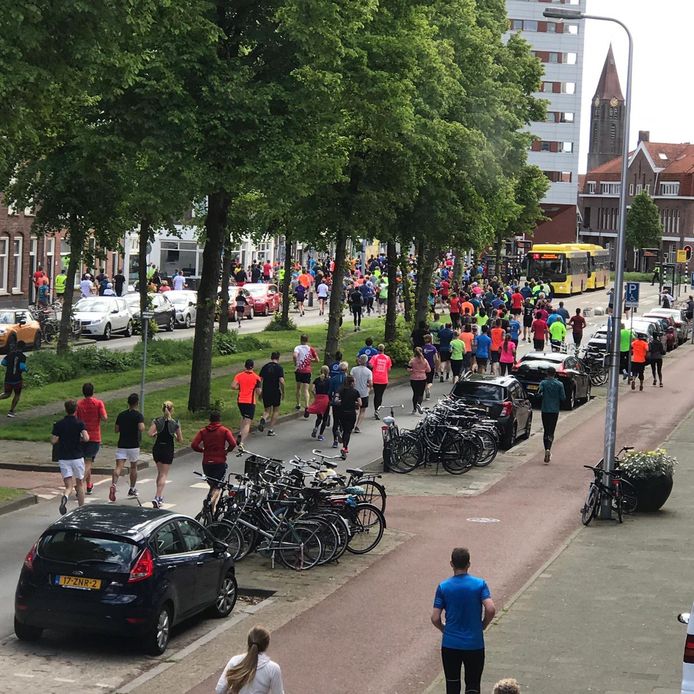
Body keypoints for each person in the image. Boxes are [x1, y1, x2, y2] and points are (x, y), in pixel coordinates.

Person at [431, 547, 496, 694]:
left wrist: (444, 629)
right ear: (469, 564)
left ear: (451, 564)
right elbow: (490, 609)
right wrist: (483, 625)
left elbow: (435, 617)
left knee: (452, 684)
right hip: (474, 643)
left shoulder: (443, 587)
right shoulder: (480, 585)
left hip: (450, 644)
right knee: (473, 685)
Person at [215, 625, 284, 694]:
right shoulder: (273, 669)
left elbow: (219, 690)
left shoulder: (235, 661)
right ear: (267, 645)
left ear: (248, 643)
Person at [191, 411, 237, 513]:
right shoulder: (224, 431)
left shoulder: (203, 431)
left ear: (209, 420)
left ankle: (211, 511)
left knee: (212, 485)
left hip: (207, 462)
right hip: (219, 462)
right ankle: (210, 503)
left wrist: (202, 450)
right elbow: (233, 443)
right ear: (219, 419)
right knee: (217, 487)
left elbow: (194, 445)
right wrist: (227, 450)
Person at [51, 399, 90, 515]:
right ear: (75, 409)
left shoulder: (59, 424)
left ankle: (66, 496)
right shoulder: (80, 423)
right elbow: (87, 438)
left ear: (65, 409)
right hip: (77, 457)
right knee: (80, 484)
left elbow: (53, 440)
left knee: (68, 485)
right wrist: (80, 438)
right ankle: (81, 510)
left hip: (64, 458)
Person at [109, 393, 145, 501]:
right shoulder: (138, 415)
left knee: (118, 467)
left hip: (122, 444)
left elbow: (116, 430)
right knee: (133, 467)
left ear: (128, 403)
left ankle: (114, 485)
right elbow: (142, 428)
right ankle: (132, 488)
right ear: (137, 403)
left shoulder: (121, 415)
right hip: (133, 445)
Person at [148, 401, 183, 508]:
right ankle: (157, 497)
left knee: (159, 473)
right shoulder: (175, 423)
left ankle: (159, 495)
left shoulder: (157, 421)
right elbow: (180, 439)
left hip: (157, 448)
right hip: (168, 448)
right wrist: (175, 437)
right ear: (172, 409)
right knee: (164, 474)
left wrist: (156, 434)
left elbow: (149, 433)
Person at [76, 383, 107, 495]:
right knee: (88, 462)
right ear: (93, 391)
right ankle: (80, 484)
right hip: (94, 437)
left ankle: (89, 485)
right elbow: (104, 418)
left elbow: (75, 418)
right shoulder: (98, 403)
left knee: (85, 462)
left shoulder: (79, 404)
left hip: (81, 437)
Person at [537, 366, 565, 464]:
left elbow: (539, 393)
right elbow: (563, 397)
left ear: (547, 373)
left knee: (546, 429)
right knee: (551, 430)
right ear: (554, 373)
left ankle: (546, 449)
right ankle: (549, 448)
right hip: (554, 410)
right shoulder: (559, 384)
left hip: (545, 409)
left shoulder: (543, 383)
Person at [232, 359, 262, 443]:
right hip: (250, 401)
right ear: (253, 366)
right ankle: (241, 441)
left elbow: (233, 386)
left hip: (240, 400)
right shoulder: (256, 378)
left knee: (243, 417)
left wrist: (240, 387)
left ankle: (240, 433)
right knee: (248, 422)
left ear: (245, 366)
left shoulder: (239, 375)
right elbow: (258, 391)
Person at [334, 374, 361, 458]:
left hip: (342, 412)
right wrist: (354, 403)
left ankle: (341, 435)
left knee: (344, 428)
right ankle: (344, 447)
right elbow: (360, 403)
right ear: (352, 383)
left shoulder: (340, 390)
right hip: (351, 413)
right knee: (348, 431)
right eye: (354, 382)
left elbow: (336, 400)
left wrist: (342, 402)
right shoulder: (355, 392)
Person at [258, 352, 284, 437]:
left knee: (267, 410)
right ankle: (271, 429)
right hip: (275, 391)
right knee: (276, 410)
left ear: (271, 357)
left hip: (266, 391)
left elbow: (260, 379)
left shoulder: (265, 367)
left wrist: (260, 390)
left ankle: (263, 418)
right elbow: (281, 381)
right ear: (278, 358)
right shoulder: (279, 368)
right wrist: (283, 391)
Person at [1, 340, 27, 417]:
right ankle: (11, 411)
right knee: (17, 394)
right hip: (17, 379)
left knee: (7, 393)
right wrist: (26, 369)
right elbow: (22, 367)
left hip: (8, 377)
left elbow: (3, 363)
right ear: (23, 348)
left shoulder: (10, 354)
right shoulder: (22, 356)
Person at [293, 334, 319, 411]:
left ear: (300, 339)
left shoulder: (297, 347)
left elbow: (295, 356)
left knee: (298, 388)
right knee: (306, 389)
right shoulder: (310, 349)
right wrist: (310, 360)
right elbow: (317, 360)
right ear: (307, 340)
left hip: (299, 370)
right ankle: (307, 405)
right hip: (307, 371)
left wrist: (296, 363)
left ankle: (298, 404)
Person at [308, 365, 332, 441]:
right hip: (326, 399)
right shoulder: (329, 380)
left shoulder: (317, 380)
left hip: (318, 398)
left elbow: (312, 389)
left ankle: (316, 427)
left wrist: (315, 396)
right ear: (328, 372)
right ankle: (320, 435)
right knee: (325, 418)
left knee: (319, 416)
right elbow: (331, 391)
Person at [350, 354, 372, 432]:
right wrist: (368, 388)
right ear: (366, 361)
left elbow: (350, 379)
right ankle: (357, 426)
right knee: (362, 410)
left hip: (354, 392)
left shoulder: (354, 369)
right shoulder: (368, 371)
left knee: (355, 409)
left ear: (359, 360)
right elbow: (370, 383)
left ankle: (351, 424)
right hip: (364, 392)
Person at [370, 344, 392, 419]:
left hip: (375, 378)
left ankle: (376, 409)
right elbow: (389, 369)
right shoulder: (387, 358)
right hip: (383, 379)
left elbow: (370, 365)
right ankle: (377, 410)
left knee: (376, 395)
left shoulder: (374, 357)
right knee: (380, 395)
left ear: (377, 349)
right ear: (384, 349)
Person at [329, 361, 348, 449]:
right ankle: (341, 431)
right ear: (346, 369)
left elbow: (330, 392)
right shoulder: (348, 379)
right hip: (345, 403)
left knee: (335, 421)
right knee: (344, 420)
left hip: (335, 402)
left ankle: (335, 440)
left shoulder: (333, 378)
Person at [408, 346, 431, 415]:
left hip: (414, 378)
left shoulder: (412, 360)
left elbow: (408, 369)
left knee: (415, 393)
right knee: (421, 393)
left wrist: (413, 370)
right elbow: (429, 370)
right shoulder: (424, 360)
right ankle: (419, 405)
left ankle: (414, 409)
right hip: (422, 378)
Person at [422, 334, 440, 400]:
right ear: (431, 340)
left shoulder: (422, 348)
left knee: (425, 381)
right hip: (431, 366)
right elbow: (436, 358)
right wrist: (436, 365)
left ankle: (427, 393)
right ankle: (428, 388)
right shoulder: (433, 348)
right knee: (430, 381)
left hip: (423, 367)